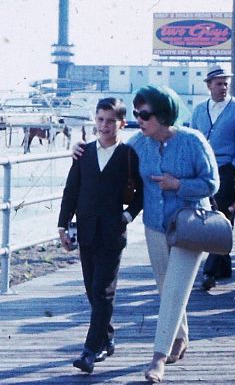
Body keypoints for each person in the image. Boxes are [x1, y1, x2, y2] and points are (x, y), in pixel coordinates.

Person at [130, 85, 219, 383]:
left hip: (190, 226)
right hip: (154, 226)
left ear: (165, 114)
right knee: (165, 286)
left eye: (145, 115)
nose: (139, 120)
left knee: (174, 289)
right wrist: (82, 151)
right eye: (135, 114)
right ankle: (179, 338)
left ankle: (158, 359)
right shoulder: (137, 144)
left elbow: (211, 183)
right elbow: (112, 158)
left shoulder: (193, 141)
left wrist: (178, 185)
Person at [58, 97, 144, 374]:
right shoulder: (84, 152)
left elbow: (141, 194)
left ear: (121, 122)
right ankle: (106, 339)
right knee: (92, 291)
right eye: (100, 120)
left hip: (112, 233)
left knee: (103, 291)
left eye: (110, 120)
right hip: (86, 231)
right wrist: (62, 225)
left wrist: (127, 216)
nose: (104, 125)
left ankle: (89, 351)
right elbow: (71, 191)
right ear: (95, 121)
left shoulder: (128, 155)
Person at [190, 65, 235, 291]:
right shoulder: (199, 110)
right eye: (218, 83)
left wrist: (234, 167)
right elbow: (193, 138)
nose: (223, 87)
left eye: (225, 83)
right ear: (209, 86)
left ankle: (209, 271)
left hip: (226, 168)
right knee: (207, 216)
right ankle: (224, 264)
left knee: (222, 216)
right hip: (204, 169)